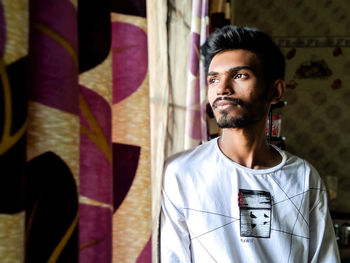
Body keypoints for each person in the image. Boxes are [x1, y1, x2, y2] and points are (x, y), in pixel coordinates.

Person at [160, 25, 340, 263]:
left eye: (239, 75)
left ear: (275, 91)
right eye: (213, 79)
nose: (222, 89)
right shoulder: (180, 172)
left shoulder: (304, 177)